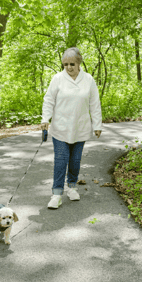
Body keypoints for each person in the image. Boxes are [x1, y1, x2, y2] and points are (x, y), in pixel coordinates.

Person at [41, 47, 102, 209]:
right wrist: (45, 118)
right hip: (60, 127)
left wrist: (97, 124)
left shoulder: (88, 79)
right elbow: (48, 100)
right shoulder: (58, 79)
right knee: (61, 160)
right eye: (65, 64)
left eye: (72, 64)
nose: (68, 67)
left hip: (80, 127)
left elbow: (95, 103)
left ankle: (72, 187)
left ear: (79, 63)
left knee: (75, 161)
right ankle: (56, 194)